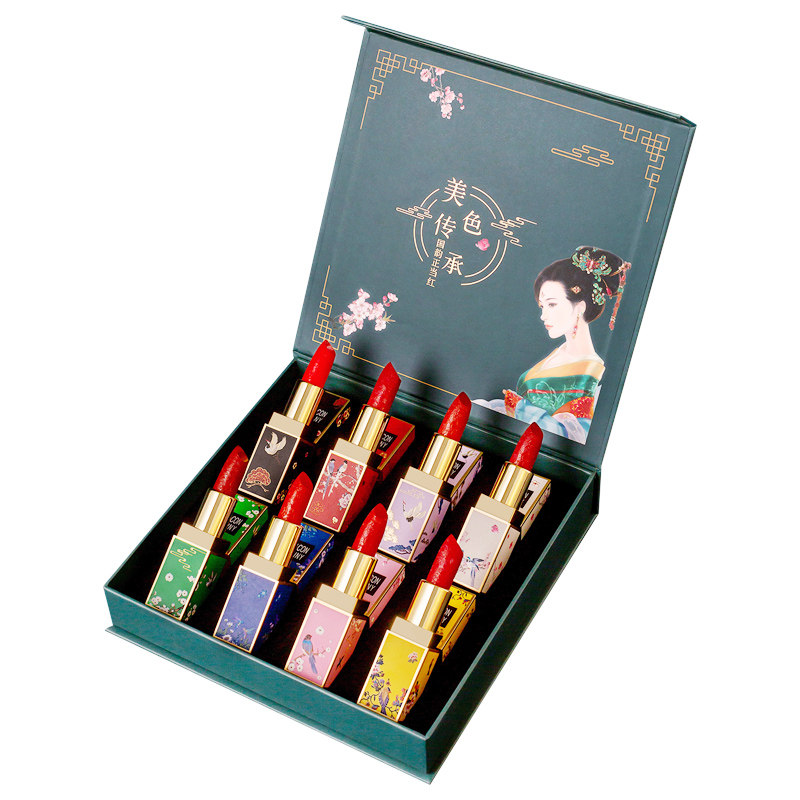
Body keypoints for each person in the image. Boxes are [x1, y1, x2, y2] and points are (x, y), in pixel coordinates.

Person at [476, 246, 630, 444]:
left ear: (580, 307)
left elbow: (572, 435)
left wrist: (521, 408)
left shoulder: (592, 372)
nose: (543, 315)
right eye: (542, 306)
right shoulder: (559, 353)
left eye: (552, 304)